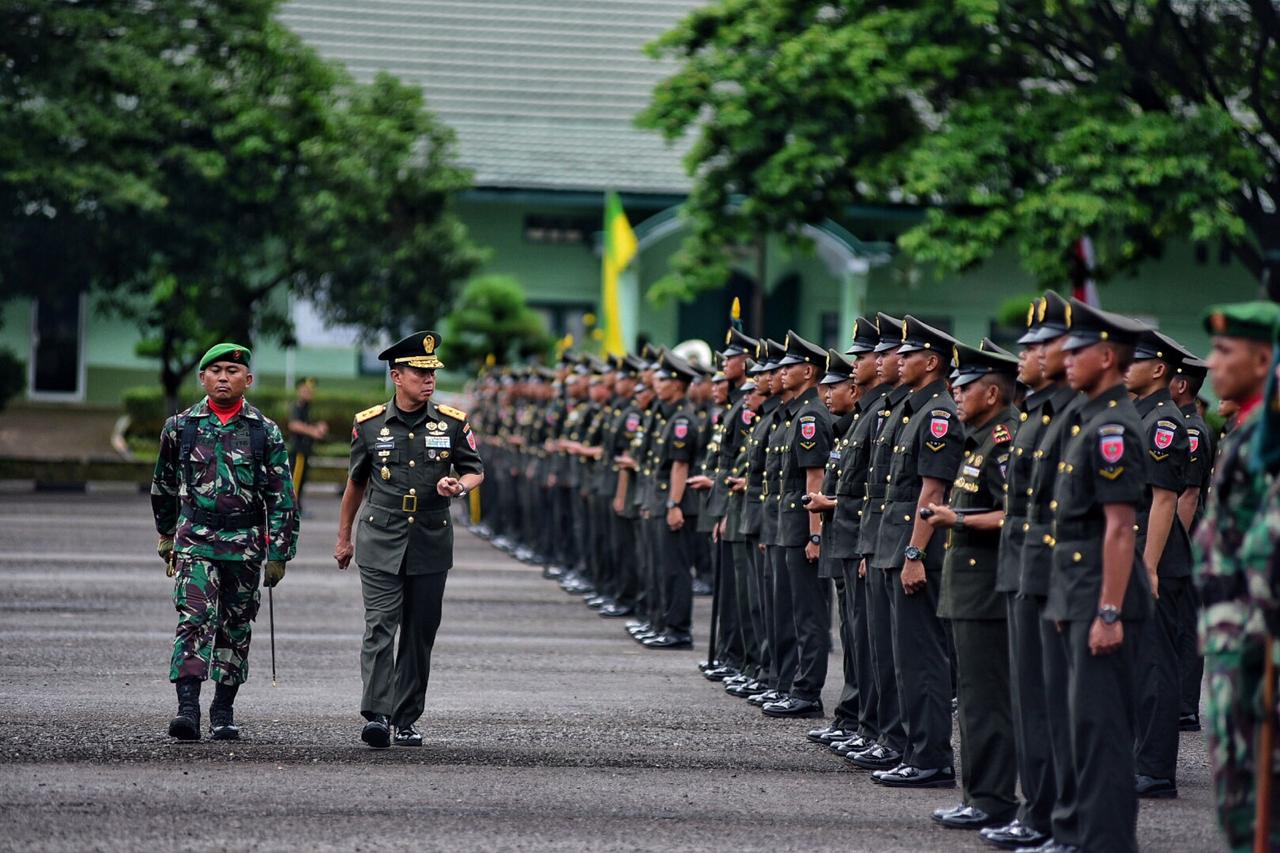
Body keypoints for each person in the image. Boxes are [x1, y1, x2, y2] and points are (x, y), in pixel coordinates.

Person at [334, 330, 484, 749]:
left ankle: (406, 717)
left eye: (432, 373)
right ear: (397, 376)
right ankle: (377, 714)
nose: (429, 380)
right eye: (419, 373)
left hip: (431, 541)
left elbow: (475, 469)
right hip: (381, 537)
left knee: (420, 631)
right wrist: (344, 538)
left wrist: (461, 485)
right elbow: (355, 484)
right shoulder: (369, 425)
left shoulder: (452, 423)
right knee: (380, 625)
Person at [1042, 298, 1152, 853]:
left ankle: (1106, 843)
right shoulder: (1088, 417)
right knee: (1077, 726)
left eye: (1076, 350)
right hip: (1077, 592)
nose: (1064, 358)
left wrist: (1108, 611)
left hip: (1101, 598)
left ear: (1106, 356)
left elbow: (1118, 528)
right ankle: (1079, 835)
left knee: (1103, 734)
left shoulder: (1114, 427)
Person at [151, 342, 298, 742]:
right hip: (195, 540)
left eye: (232, 371)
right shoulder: (180, 427)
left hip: (246, 546)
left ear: (247, 380)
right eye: (214, 370)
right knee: (194, 620)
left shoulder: (263, 431)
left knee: (235, 627)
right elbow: (163, 485)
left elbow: (281, 496)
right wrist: (167, 535)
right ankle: (187, 710)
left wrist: (280, 554)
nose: (222, 377)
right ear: (202, 378)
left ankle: (223, 709)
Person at [1193, 301, 1280, 852]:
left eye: (1226, 352)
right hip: (1234, 651)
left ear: (1264, 359)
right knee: (1240, 811)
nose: (1212, 363)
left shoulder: (1269, 446)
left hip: (1259, 655)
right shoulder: (1249, 435)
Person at [928, 340, 1020, 829]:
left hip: (988, 591)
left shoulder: (1004, 441)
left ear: (991, 393)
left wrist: (956, 520)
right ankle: (978, 795)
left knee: (988, 701)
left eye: (964, 388)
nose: (955, 394)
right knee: (972, 698)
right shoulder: (979, 440)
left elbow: (1014, 516)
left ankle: (994, 800)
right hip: (966, 588)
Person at [1126, 328, 1194, 800]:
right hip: (1132, 551)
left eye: (1135, 360)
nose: (1124, 366)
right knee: (1134, 664)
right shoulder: (1137, 414)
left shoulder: (1164, 423)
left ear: (1158, 369)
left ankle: (1154, 770)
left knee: (1154, 667)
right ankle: (1136, 758)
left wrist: (1147, 566)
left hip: (1156, 558)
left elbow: (1164, 500)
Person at [762, 331, 835, 718]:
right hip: (784, 526)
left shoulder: (809, 416)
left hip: (800, 528)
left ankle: (807, 691)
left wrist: (815, 534)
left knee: (807, 615)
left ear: (808, 371)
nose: (780, 371)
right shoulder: (792, 414)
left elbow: (814, 480)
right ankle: (788, 682)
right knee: (786, 610)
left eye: (789, 366)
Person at [288, 376, 328, 513]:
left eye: (311, 390)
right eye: (305, 390)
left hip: (305, 450)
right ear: (299, 391)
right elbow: (294, 425)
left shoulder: (308, 408)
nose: (309, 393)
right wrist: (312, 431)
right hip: (298, 451)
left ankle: (298, 506)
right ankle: (293, 508)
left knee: (302, 479)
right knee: (296, 479)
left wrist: (320, 427)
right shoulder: (298, 406)